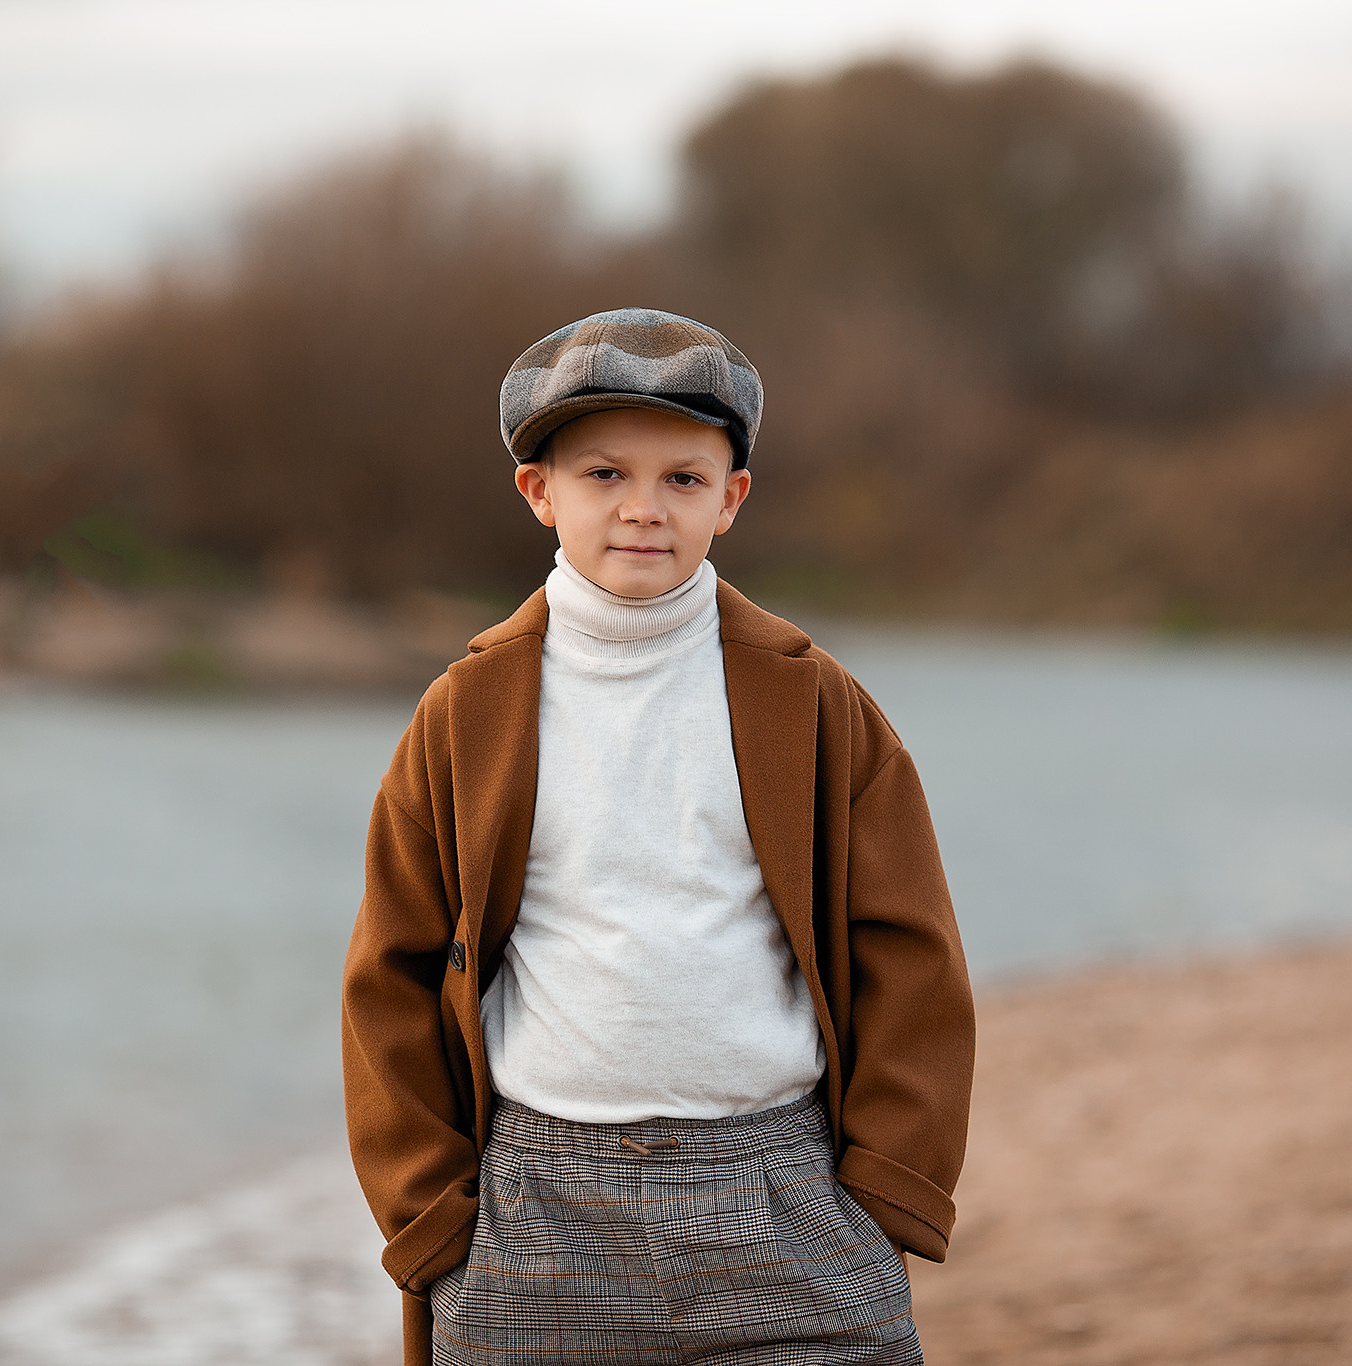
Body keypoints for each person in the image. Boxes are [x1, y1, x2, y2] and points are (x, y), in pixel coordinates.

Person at [341, 307, 974, 1366]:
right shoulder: (467, 711)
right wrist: (430, 1219)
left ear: (730, 500)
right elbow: (391, 972)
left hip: (784, 1194)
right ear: (537, 491)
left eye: (682, 478)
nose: (642, 508)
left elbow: (908, 947)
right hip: (533, 1211)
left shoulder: (815, 702)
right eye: (601, 475)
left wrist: (886, 1185)